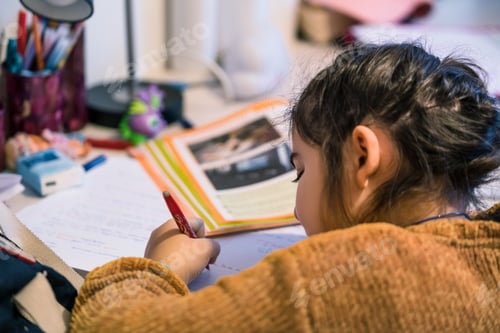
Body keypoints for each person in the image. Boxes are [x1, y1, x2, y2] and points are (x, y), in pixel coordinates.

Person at [69, 42, 500, 332]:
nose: (295, 212)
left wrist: (157, 269)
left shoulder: (346, 281)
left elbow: (112, 325)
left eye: (301, 171)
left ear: (363, 158)